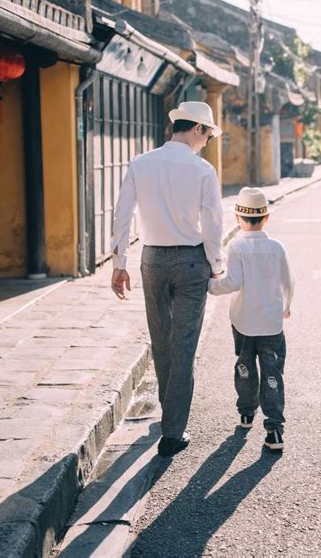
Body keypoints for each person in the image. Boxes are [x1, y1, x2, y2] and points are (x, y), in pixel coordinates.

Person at [110, 101, 224, 457]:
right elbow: (213, 223)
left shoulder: (141, 164)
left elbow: (123, 213)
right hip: (191, 261)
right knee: (184, 344)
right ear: (198, 129)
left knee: (160, 339)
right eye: (208, 134)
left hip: (153, 259)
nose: (207, 141)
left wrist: (119, 262)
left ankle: (168, 412)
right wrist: (216, 265)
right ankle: (173, 432)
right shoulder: (203, 170)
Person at [208, 187, 294, 452]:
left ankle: (246, 414)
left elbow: (233, 282)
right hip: (271, 323)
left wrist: (210, 286)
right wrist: (286, 306)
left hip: (243, 322)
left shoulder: (236, 246)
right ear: (266, 218)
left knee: (245, 365)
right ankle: (274, 431)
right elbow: (288, 281)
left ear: (237, 217)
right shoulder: (276, 247)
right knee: (272, 374)